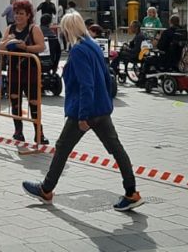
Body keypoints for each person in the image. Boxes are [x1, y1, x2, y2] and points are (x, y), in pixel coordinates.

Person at [22, 11, 143, 212]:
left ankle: (46, 189)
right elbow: (105, 76)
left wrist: (84, 116)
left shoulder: (78, 51)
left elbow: (86, 85)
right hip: (102, 108)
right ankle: (131, 192)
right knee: (116, 148)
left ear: (68, 30)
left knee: (62, 148)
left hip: (84, 109)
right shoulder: (93, 45)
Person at [0, 0, 47, 144]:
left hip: (31, 70)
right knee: (15, 100)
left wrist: (26, 47)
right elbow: (1, 47)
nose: (18, 16)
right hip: (14, 70)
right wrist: (8, 41)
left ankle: (39, 133)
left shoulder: (34, 28)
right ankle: (18, 131)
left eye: (21, 13)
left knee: (34, 102)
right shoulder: (10, 29)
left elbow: (41, 47)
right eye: (16, 13)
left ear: (28, 15)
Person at [138, 15, 183, 86]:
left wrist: (157, 43)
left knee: (148, 59)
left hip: (166, 60)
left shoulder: (167, 32)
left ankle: (142, 81)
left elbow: (160, 46)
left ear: (170, 22)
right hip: (179, 59)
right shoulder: (183, 32)